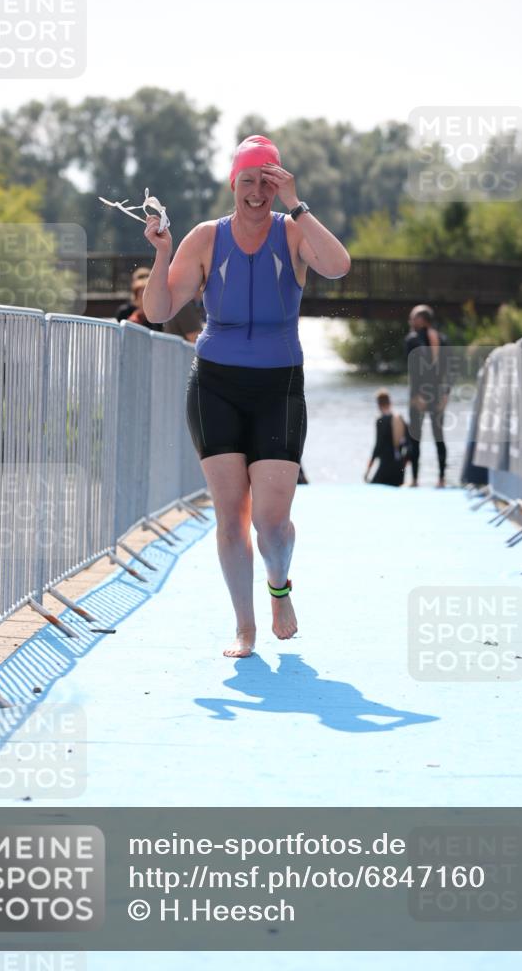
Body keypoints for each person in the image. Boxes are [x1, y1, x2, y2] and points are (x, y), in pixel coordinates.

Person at [141, 134, 350, 657]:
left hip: (278, 386)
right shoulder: (207, 238)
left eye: (267, 181)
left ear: (278, 183)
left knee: (271, 523)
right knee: (231, 514)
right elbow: (161, 310)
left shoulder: (293, 231)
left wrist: (297, 205)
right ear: (233, 183)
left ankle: (279, 587)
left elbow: (339, 265)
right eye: (248, 181)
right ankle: (245, 626)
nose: (257, 192)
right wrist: (164, 252)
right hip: (215, 385)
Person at [404, 304, 449, 488]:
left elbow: (418, 370)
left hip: (428, 395)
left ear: (422, 320)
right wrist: (444, 394)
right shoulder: (419, 340)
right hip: (428, 395)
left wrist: (420, 395)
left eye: (413, 317)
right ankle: (428, 479)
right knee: (427, 437)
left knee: (427, 437)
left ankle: (428, 479)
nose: (410, 321)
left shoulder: (420, 339)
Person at [364, 390, 409, 486]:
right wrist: (403, 464)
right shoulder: (400, 418)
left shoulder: (380, 420)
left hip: (385, 467)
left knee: (372, 489)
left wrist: (368, 471)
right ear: (390, 402)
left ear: (379, 405)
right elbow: (410, 445)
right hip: (399, 468)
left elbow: (378, 447)